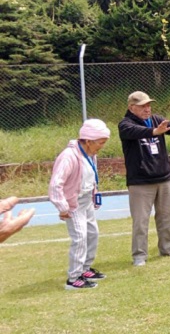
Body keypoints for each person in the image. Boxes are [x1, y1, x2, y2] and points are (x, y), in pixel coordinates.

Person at [119, 91, 170, 266]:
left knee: (166, 216)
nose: (147, 109)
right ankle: (139, 255)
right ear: (131, 107)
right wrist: (154, 131)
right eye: (142, 106)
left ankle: (167, 247)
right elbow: (135, 132)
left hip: (164, 177)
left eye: (149, 105)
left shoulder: (156, 119)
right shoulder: (125, 124)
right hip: (140, 182)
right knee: (141, 221)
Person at [48, 119, 111, 289]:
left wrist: (95, 194)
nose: (102, 146)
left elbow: (91, 177)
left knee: (93, 234)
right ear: (89, 141)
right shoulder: (68, 156)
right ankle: (73, 278)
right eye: (101, 142)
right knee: (80, 237)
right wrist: (63, 207)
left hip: (86, 200)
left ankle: (85, 268)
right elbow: (55, 184)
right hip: (73, 204)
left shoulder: (91, 154)